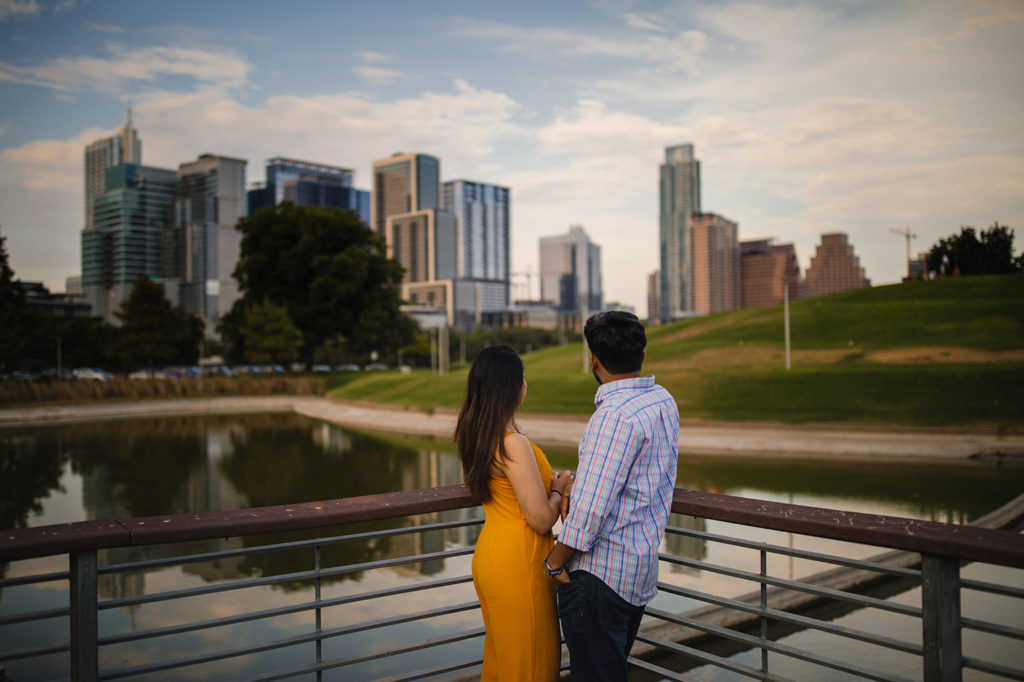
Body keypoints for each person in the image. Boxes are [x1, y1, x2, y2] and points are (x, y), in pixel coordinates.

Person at [544, 311, 680, 681]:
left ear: (594, 359)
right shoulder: (662, 401)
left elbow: (588, 513)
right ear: (642, 356)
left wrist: (554, 563)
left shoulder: (614, 417)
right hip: (636, 570)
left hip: (599, 577)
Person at [455, 345, 572, 681]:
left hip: (491, 554)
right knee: (531, 666)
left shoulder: (476, 434)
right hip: (521, 562)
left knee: (503, 663)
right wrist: (558, 488)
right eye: (523, 377)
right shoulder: (512, 443)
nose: (526, 383)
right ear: (512, 387)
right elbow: (539, 518)